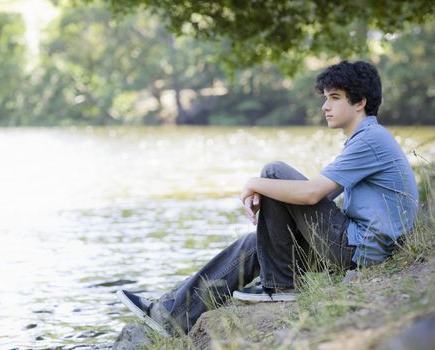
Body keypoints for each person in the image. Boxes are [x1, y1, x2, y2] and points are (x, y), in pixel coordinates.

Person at [116, 60, 419, 337]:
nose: (325, 106)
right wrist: (269, 195)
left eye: (334, 97)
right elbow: (321, 192)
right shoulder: (364, 139)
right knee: (252, 244)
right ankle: (170, 315)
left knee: (274, 171)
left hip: (359, 250)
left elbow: (312, 193)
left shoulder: (371, 140)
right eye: (325, 97)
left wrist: (256, 183)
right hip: (353, 248)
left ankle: (281, 285)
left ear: (361, 102)